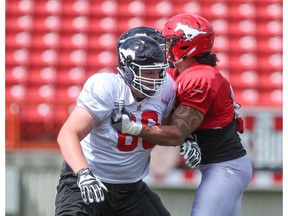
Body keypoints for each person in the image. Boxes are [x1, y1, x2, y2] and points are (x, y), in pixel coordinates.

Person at [111, 13, 253, 216]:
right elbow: (171, 118)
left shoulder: (201, 77)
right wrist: (188, 136)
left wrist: (133, 128)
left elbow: (176, 131)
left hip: (225, 166)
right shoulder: (177, 72)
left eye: (170, 41)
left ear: (186, 46)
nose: (164, 46)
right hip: (219, 166)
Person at [54, 32, 178, 216]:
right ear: (128, 70)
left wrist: (190, 139)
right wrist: (84, 174)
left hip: (131, 190)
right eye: (148, 72)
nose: (156, 78)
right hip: (88, 182)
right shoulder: (108, 87)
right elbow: (67, 134)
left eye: (159, 71)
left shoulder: (167, 87)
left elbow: (170, 133)